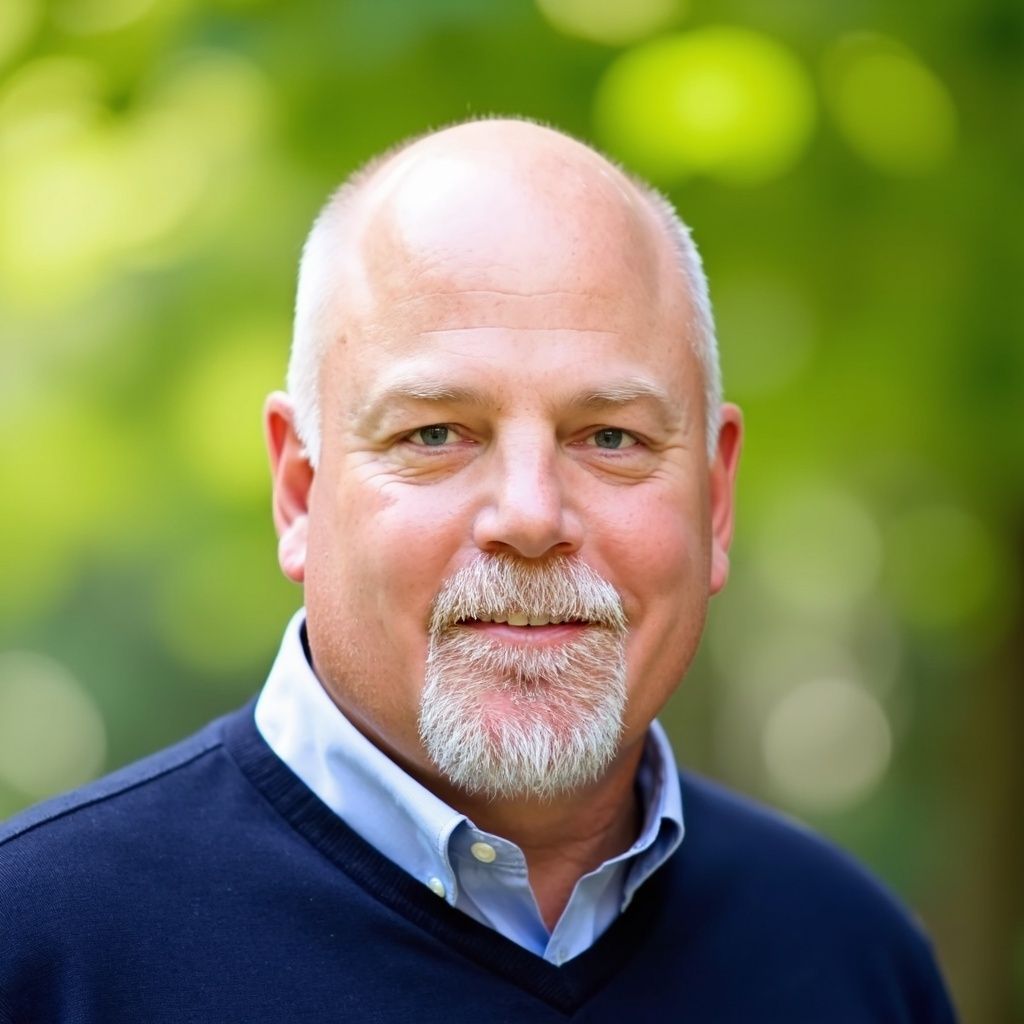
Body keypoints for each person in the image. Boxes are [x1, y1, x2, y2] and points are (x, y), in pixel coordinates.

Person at [0, 118, 956, 1022]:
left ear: (714, 500)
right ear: (299, 489)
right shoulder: (41, 953)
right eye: (436, 433)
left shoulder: (852, 960)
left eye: (610, 436)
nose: (532, 515)